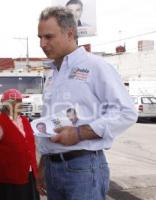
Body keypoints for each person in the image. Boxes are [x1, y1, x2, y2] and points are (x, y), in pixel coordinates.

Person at [36, 6, 138, 200]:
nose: (42, 43)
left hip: (82, 167)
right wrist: (44, 163)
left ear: (70, 33)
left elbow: (126, 112)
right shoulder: (53, 73)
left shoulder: (96, 66)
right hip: (53, 167)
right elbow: (52, 122)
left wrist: (79, 133)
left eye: (48, 37)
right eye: (40, 37)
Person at [0, 89, 39, 200]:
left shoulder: (24, 120)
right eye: (13, 101)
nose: (17, 104)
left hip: (29, 173)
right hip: (11, 177)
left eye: (19, 101)